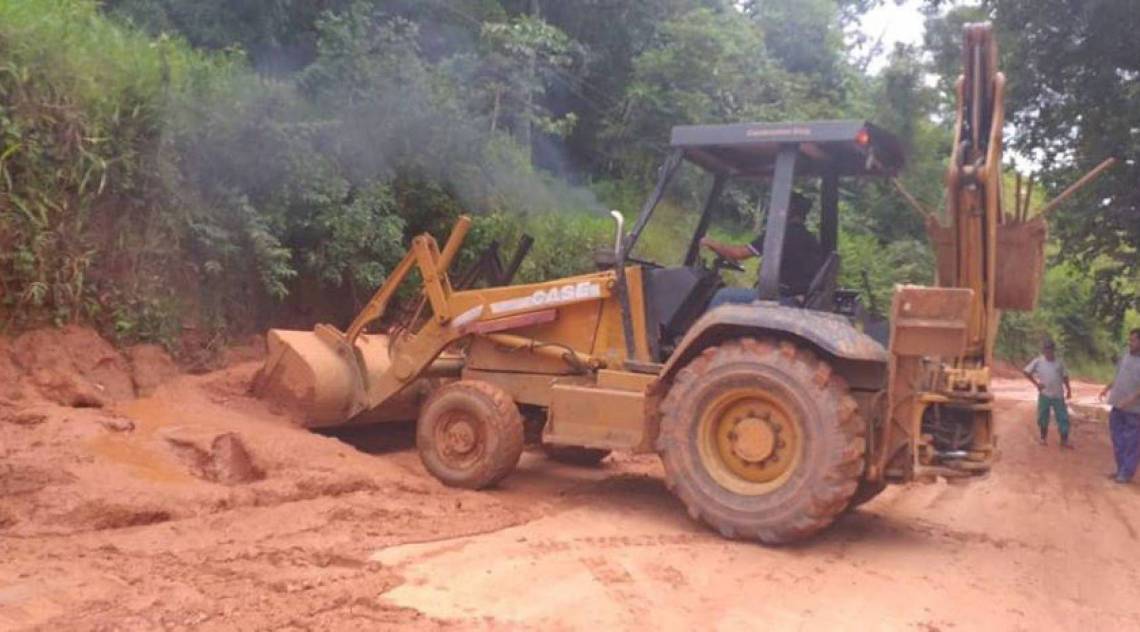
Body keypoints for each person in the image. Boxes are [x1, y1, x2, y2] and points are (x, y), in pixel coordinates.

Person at [701, 191, 823, 308]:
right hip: (795, 297)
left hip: (782, 298)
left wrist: (710, 242)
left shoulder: (780, 234)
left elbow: (737, 253)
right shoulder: (809, 237)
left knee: (722, 295)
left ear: (789, 210)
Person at [1099, 328, 1140, 484]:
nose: (1130, 342)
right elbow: (1118, 375)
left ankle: (1126, 473)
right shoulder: (1125, 356)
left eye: (1133, 340)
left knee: (1132, 442)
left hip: (1135, 411)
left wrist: (1130, 400)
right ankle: (1120, 469)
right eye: (1130, 340)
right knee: (1117, 438)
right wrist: (1107, 388)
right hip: (1117, 405)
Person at [1023, 339, 1073, 448]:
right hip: (1045, 394)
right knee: (1043, 417)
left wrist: (1069, 390)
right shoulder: (1038, 361)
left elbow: (1065, 377)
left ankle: (1064, 441)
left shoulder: (1059, 363)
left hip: (1058, 395)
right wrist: (1036, 384)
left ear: (1053, 350)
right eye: (1046, 349)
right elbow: (1026, 372)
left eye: (1050, 349)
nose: (1048, 351)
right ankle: (1043, 438)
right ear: (1044, 350)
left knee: (1063, 417)